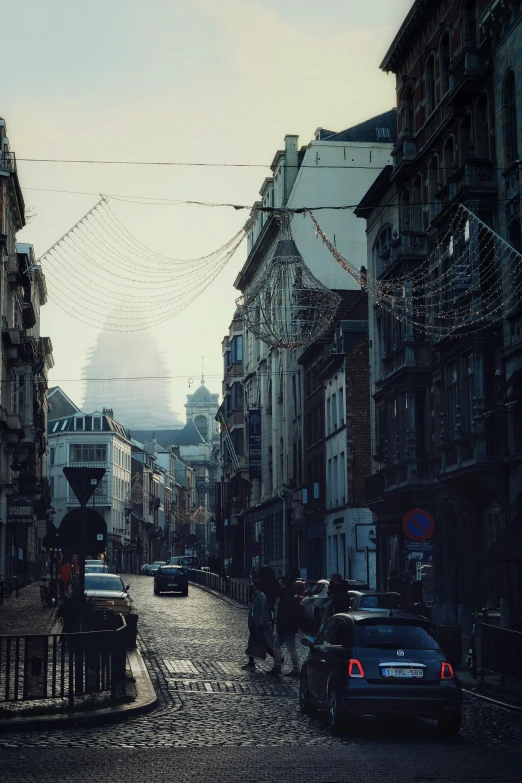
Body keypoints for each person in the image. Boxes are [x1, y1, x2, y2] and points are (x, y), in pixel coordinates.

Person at [268, 577, 300, 678]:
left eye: (280, 582)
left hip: (287, 627)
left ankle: (296, 669)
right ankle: (277, 667)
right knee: (276, 646)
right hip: (284, 627)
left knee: (291, 648)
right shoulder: (288, 595)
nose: (278, 583)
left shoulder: (285, 596)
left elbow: (285, 614)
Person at [242, 579, 275, 670]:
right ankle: (251, 663)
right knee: (252, 644)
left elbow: (264, 611)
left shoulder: (261, 596)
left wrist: (261, 623)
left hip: (259, 625)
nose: (252, 585)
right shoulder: (256, 595)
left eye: (253, 584)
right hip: (254, 624)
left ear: (256, 586)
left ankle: (278, 659)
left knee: (265, 644)